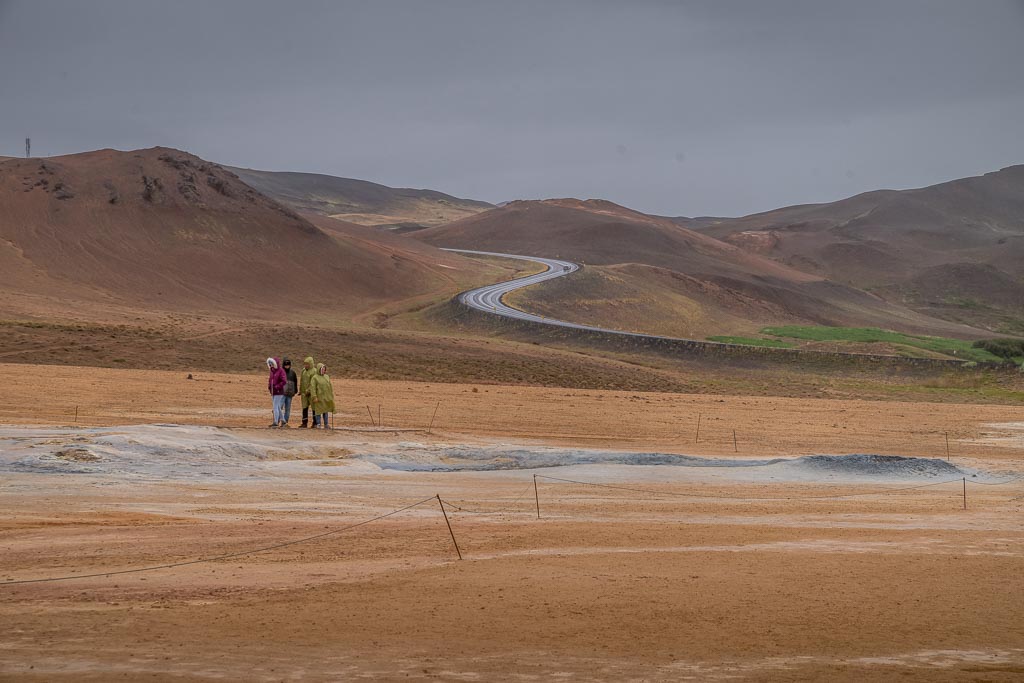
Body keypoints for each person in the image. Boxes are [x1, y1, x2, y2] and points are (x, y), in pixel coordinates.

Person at [309, 362, 336, 429]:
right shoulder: (315, 378)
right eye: (322, 369)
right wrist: (314, 396)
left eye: (324, 369)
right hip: (318, 398)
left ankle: (326, 424)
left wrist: (331, 396)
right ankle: (318, 424)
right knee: (318, 411)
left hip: (326, 397)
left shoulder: (327, 376)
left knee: (325, 410)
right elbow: (313, 388)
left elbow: (329, 386)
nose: (323, 370)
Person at [266, 357, 287, 428]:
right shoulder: (272, 370)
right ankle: (283, 420)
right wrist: (269, 387)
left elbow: (284, 381)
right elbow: (270, 380)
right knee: (277, 406)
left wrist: (277, 387)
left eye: (272, 363)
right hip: (273, 391)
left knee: (275, 406)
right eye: (270, 363)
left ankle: (275, 422)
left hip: (279, 392)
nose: (271, 365)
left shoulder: (281, 371)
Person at [299, 356, 316, 428]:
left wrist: (308, 390)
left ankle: (315, 423)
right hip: (304, 394)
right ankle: (304, 423)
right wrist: (300, 390)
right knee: (304, 408)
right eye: (305, 364)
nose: (306, 365)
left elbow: (313, 383)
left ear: (311, 364)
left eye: (307, 364)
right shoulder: (303, 371)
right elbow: (302, 381)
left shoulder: (314, 371)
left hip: (311, 393)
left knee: (314, 408)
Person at [281, 358, 298, 427]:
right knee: (280, 407)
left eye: (288, 365)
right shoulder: (281, 372)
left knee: (287, 409)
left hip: (290, 393)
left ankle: (285, 422)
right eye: (285, 365)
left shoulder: (293, 373)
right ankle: (279, 420)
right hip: (282, 393)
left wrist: (296, 390)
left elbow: (295, 382)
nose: (287, 366)